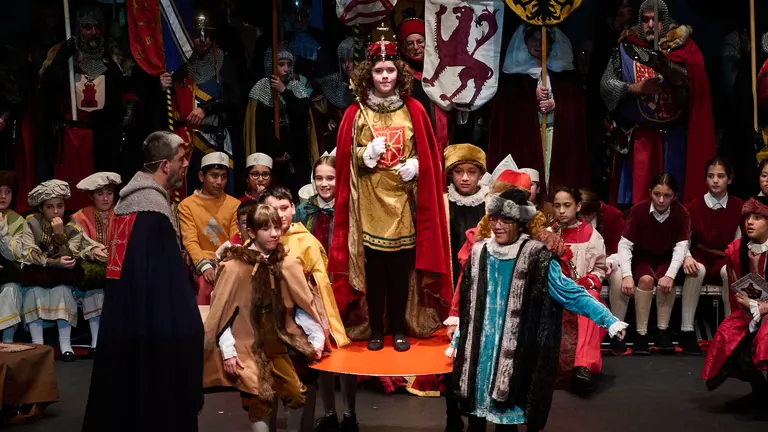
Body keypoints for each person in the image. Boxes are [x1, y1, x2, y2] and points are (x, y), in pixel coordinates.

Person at [449, 187, 627, 432]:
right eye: (494, 219)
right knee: (475, 420)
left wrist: (608, 320)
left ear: (520, 223)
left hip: (514, 354)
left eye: (506, 220)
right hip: (480, 352)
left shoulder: (536, 257)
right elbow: (469, 302)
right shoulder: (480, 252)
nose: (498, 226)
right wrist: (459, 335)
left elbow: (570, 292)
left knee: (505, 421)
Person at [329, 36, 452, 352]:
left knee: (400, 271)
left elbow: (429, 154)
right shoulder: (356, 113)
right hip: (368, 204)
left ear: (399, 72)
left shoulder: (413, 109)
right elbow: (344, 159)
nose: (385, 77)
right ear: (369, 74)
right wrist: (364, 154)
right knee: (375, 272)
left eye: (390, 71)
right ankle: (375, 329)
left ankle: (398, 327)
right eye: (379, 71)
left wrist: (417, 165)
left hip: (403, 203)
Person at [82, 131, 203, 432]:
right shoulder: (152, 215)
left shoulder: (126, 207)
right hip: (151, 327)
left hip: (125, 320)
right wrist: (190, 325)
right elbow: (167, 287)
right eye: (180, 159)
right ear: (165, 165)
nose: (185, 164)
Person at [203, 204, 325, 432]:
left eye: (277, 227)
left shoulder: (286, 263)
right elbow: (223, 314)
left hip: (277, 341)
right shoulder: (235, 268)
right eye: (266, 228)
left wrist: (315, 338)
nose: (274, 233)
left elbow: (301, 305)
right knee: (258, 402)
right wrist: (228, 352)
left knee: (296, 394)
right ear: (251, 232)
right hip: (246, 345)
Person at [600, 0, 715, 205]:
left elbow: (694, 86)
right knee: (641, 200)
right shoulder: (626, 47)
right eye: (646, 20)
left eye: (656, 20)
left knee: (675, 196)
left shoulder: (683, 47)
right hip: (642, 138)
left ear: (665, 22)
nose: (651, 25)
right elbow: (607, 85)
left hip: (675, 138)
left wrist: (669, 69)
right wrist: (633, 88)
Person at [38, 6, 137, 209]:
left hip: (102, 135)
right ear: (78, 29)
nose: (93, 32)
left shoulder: (113, 54)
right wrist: (62, 59)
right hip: (71, 135)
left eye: (97, 27)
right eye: (87, 27)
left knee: (101, 188)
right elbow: (46, 88)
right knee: (71, 191)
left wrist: (126, 114)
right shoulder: (61, 53)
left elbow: (129, 90)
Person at [490, 25, 588, 199]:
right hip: (526, 139)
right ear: (524, 42)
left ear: (551, 43)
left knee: (557, 178)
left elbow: (577, 107)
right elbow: (507, 112)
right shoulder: (514, 75)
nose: (538, 44)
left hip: (556, 136)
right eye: (533, 39)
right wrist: (530, 99)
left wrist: (557, 105)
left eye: (543, 39)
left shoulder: (563, 73)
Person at [20, 180, 107, 362]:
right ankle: (39, 345)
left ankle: (65, 345)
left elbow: (71, 255)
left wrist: (60, 234)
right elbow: (29, 252)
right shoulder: (31, 222)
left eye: (60, 206)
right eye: (50, 207)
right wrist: (52, 262)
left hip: (62, 275)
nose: (56, 211)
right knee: (33, 291)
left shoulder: (72, 225)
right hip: (37, 272)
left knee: (63, 291)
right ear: (42, 208)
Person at [159, 10, 242, 197]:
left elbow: (234, 99)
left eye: (207, 34)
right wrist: (161, 88)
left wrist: (206, 109)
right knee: (187, 192)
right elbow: (166, 108)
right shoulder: (177, 64)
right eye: (197, 34)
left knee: (217, 193)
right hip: (185, 141)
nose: (203, 39)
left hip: (214, 138)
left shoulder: (223, 61)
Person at [701, 197, 768, 418]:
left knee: (764, 343)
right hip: (751, 312)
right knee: (730, 338)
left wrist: (760, 307)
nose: (750, 222)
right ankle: (761, 394)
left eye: (757, 218)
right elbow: (736, 288)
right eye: (748, 217)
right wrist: (748, 310)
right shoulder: (740, 249)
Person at [612, 173, 691, 355]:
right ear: (650, 192)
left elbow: (681, 247)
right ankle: (641, 334)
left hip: (666, 257)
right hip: (642, 257)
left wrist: (671, 274)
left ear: (675, 196)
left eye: (667, 195)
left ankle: (662, 330)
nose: (661, 200)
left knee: (665, 280)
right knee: (646, 280)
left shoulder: (681, 214)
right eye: (656, 194)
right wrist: (627, 275)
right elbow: (624, 245)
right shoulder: (638, 211)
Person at [680, 157, 744, 354]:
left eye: (720, 176)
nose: (715, 180)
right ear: (705, 180)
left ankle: (728, 331)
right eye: (711, 176)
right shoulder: (693, 206)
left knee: (729, 271)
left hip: (724, 256)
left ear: (729, 179)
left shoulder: (739, 206)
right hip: (699, 254)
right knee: (695, 270)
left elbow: (739, 241)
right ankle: (687, 330)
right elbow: (684, 240)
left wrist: (733, 260)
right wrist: (687, 257)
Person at [552, 187, 609, 393]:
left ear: (577, 206)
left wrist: (591, 280)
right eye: (557, 206)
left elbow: (600, 267)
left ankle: (582, 366)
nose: (561, 211)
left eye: (567, 205)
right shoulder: (548, 234)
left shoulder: (591, 235)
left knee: (590, 299)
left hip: (579, 290)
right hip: (554, 291)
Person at [244, 45, 316, 198]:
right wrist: (276, 151)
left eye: (289, 64)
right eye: (281, 64)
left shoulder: (296, 88)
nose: (286, 69)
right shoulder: (261, 89)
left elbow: (302, 120)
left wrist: (284, 91)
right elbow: (259, 128)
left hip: (295, 156)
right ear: (272, 65)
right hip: (271, 158)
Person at [178, 151, 240, 305]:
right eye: (214, 175)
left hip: (228, 261)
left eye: (224, 177)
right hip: (202, 262)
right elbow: (190, 241)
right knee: (206, 285)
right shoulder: (187, 205)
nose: (219, 181)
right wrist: (205, 267)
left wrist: (225, 265)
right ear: (201, 177)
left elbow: (235, 238)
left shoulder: (234, 204)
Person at [71, 172, 122, 355]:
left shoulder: (123, 213)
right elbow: (75, 246)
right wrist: (91, 252)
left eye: (109, 193)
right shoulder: (80, 217)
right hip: (92, 267)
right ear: (91, 196)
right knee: (94, 285)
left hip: (119, 265)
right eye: (100, 194)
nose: (106, 198)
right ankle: (96, 339)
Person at [312, 38, 355, 154]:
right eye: (342, 61)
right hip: (338, 143)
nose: (346, 65)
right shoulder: (332, 84)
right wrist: (329, 119)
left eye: (351, 60)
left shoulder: (368, 85)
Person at [0, 172, 26, 342]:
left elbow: (16, 255)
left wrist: (2, 234)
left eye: (8, 191)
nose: (3, 196)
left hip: (7, 274)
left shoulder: (18, 221)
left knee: (11, 289)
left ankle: (7, 341)